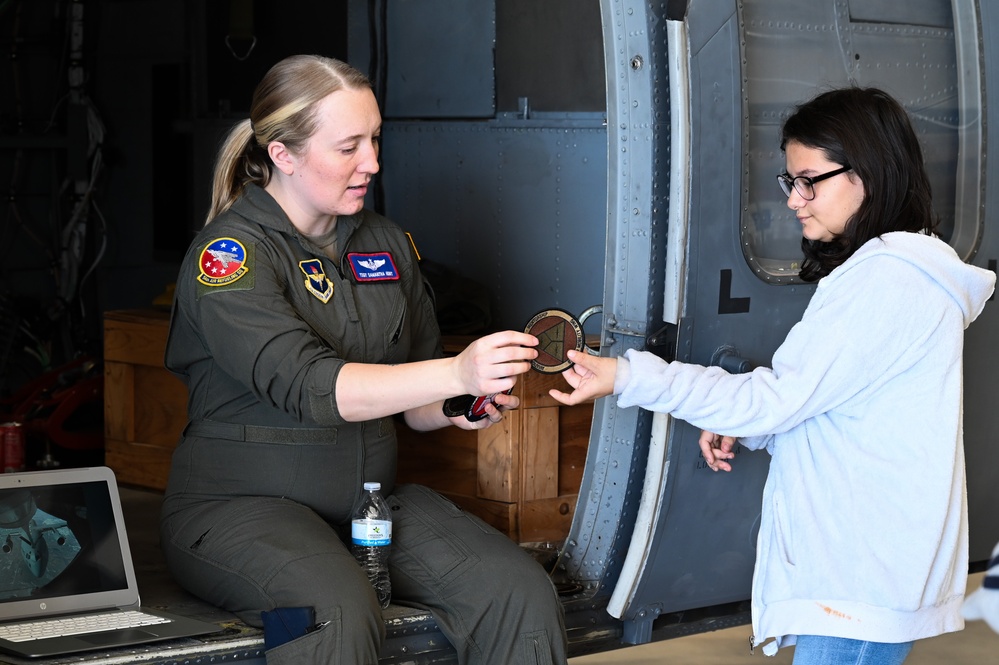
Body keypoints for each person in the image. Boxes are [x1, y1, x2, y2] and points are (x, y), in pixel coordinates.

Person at [550, 86, 995, 664]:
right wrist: (751, 423)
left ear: (872, 173)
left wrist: (626, 376)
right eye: (791, 182)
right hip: (861, 574)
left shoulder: (886, 283)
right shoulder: (892, 274)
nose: (795, 200)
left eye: (811, 180)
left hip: (858, 582)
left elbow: (778, 399)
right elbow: (832, 407)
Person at [160, 54, 568, 665]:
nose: (372, 163)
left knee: (517, 590)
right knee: (336, 611)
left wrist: (461, 402)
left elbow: (419, 399)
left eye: (374, 140)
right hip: (237, 510)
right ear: (283, 155)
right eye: (348, 146)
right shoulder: (230, 256)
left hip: (368, 504)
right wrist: (456, 370)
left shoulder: (384, 241)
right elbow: (316, 388)